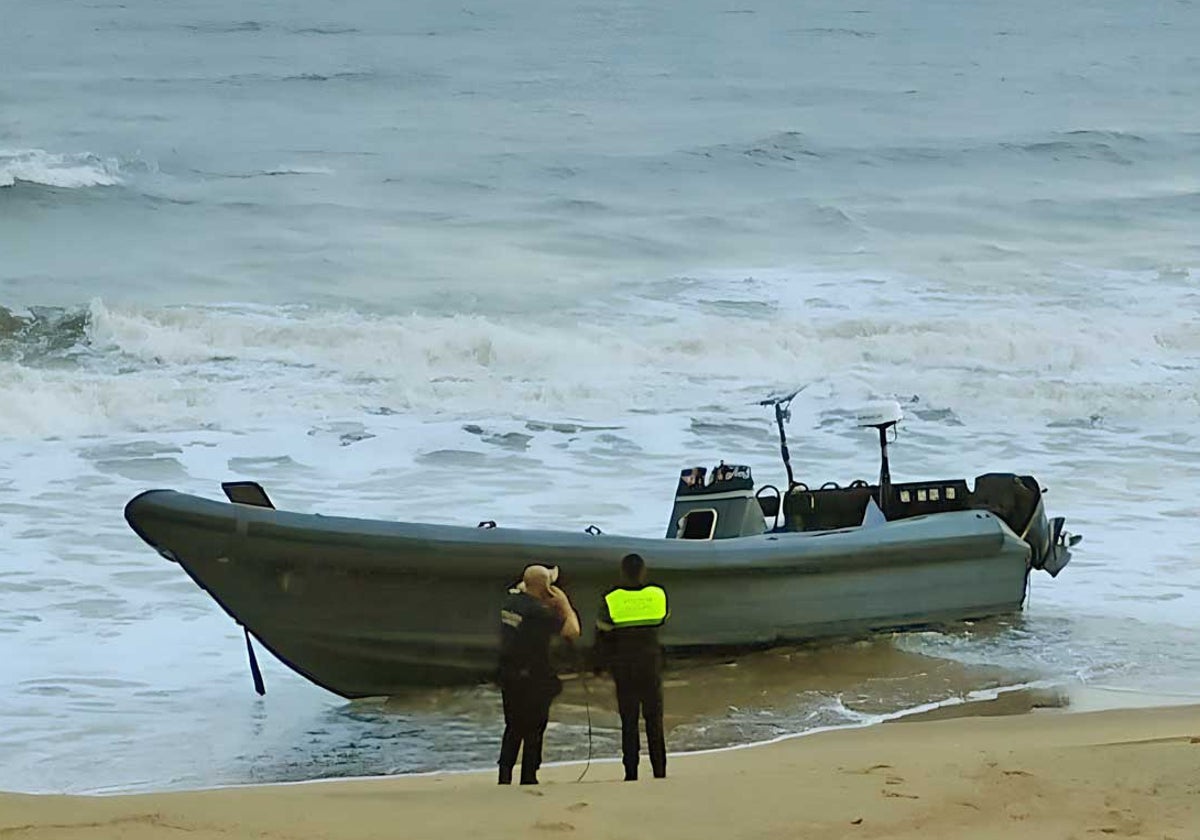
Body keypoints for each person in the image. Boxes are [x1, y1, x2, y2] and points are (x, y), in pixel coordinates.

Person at [497, 563, 581, 785]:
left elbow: (524, 589)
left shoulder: (510, 603)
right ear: (545, 588)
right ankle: (528, 776)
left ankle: (504, 776)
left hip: (509, 673)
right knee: (534, 728)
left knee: (513, 727)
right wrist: (564, 604)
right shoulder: (539, 613)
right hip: (534, 675)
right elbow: (572, 631)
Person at [593, 553, 669, 781]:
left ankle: (631, 772)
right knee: (654, 719)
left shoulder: (612, 598)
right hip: (650, 663)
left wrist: (597, 666)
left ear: (623, 572)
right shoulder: (657, 595)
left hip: (624, 665)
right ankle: (659, 770)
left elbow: (602, 634)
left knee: (629, 720)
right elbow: (663, 618)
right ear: (643, 571)